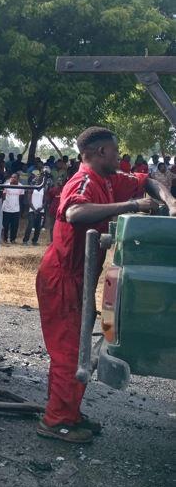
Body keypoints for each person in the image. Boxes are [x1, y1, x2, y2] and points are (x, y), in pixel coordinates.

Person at [35, 127, 176, 443]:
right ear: (100, 153)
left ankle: (68, 412)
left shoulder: (111, 179)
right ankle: (55, 420)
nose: (119, 156)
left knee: (80, 348)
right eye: (115, 151)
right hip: (61, 277)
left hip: (81, 277)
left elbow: (148, 182)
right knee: (69, 351)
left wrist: (170, 200)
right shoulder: (84, 180)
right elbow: (74, 211)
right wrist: (131, 206)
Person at [22, 173, 45, 245]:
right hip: (32, 210)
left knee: (38, 226)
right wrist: (34, 209)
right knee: (30, 225)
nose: (38, 179)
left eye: (40, 178)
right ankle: (25, 240)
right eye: (37, 177)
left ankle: (34, 240)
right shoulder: (32, 188)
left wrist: (41, 207)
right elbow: (29, 200)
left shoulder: (44, 189)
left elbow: (45, 200)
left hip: (40, 210)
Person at [1, 174, 21, 243]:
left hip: (16, 209)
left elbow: (21, 197)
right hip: (6, 209)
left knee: (15, 226)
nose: (12, 178)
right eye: (12, 177)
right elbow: (3, 197)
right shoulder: (6, 185)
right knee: (5, 225)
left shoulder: (21, 186)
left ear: (18, 179)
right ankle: (5, 239)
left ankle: (13, 239)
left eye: (15, 177)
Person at [45, 175, 65, 243]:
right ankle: (52, 241)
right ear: (56, 181)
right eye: (58, 180)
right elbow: (48, 200)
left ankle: (60, 241)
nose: (60, 182)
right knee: (52, 227)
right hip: (53, 211)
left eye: (61, 180)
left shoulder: (64, 189)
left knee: (61, 227)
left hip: (62, 212)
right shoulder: (52, 190)